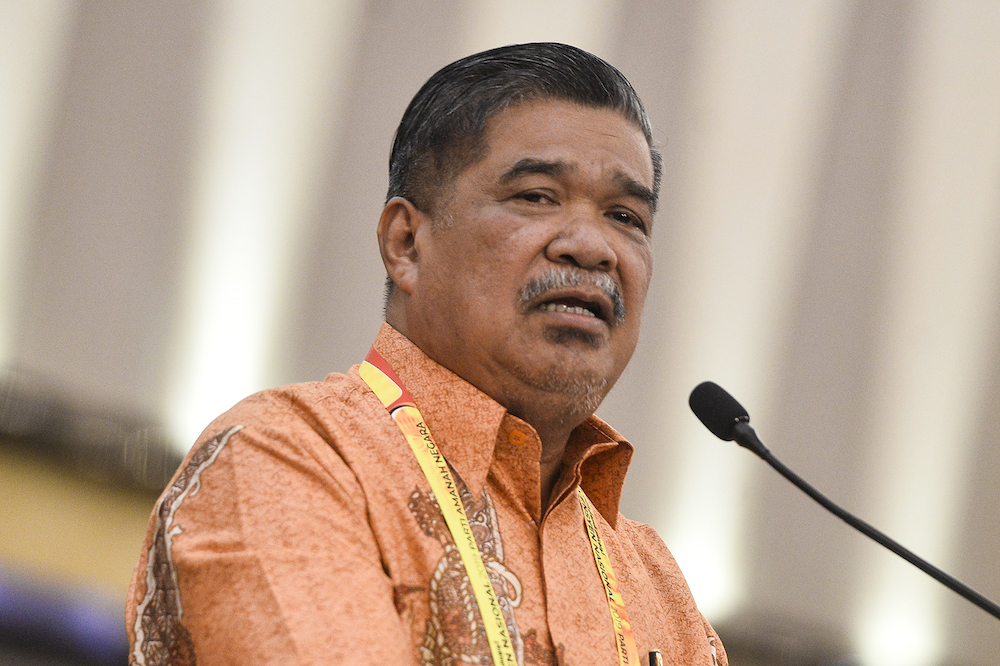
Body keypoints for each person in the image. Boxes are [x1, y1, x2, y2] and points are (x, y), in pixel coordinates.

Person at [126, 43, 727, 666]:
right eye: (537, 196)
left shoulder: (656, 584)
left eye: (626, 216)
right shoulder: (287, 460)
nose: (592, 247)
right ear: (406, 243)